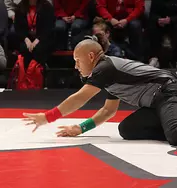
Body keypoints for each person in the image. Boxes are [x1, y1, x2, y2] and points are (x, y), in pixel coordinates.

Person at [23, 34, 177, 146]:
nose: (76, 67)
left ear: (91, 56)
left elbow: (80, 97)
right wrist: (80, 128)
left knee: (174, 136)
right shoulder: (110, 72)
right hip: (156, 102)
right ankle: (169, 121)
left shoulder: (105, 68)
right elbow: (108, 110)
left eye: (77, 61)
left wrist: (48, 117)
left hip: (169, 90)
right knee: (127, 130)